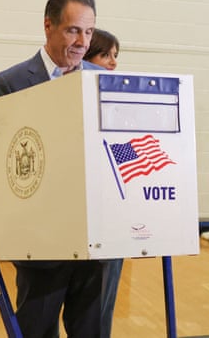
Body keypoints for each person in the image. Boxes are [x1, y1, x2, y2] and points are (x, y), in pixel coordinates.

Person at [0, 0, 104, 338]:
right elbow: (5, 163)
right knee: (37, 330)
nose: (82, 42)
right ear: (48, 26)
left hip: (95, 239)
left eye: (88, 32)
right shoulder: (11, 83)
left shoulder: (101, 81)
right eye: (73, 30)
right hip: (40, 242)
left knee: (92, 331)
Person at [83, 28, 122, 338]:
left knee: (97, 319)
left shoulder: (120, 102)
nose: (112, 62)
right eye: (105, 55)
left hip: (109, 220)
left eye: (115, 56)